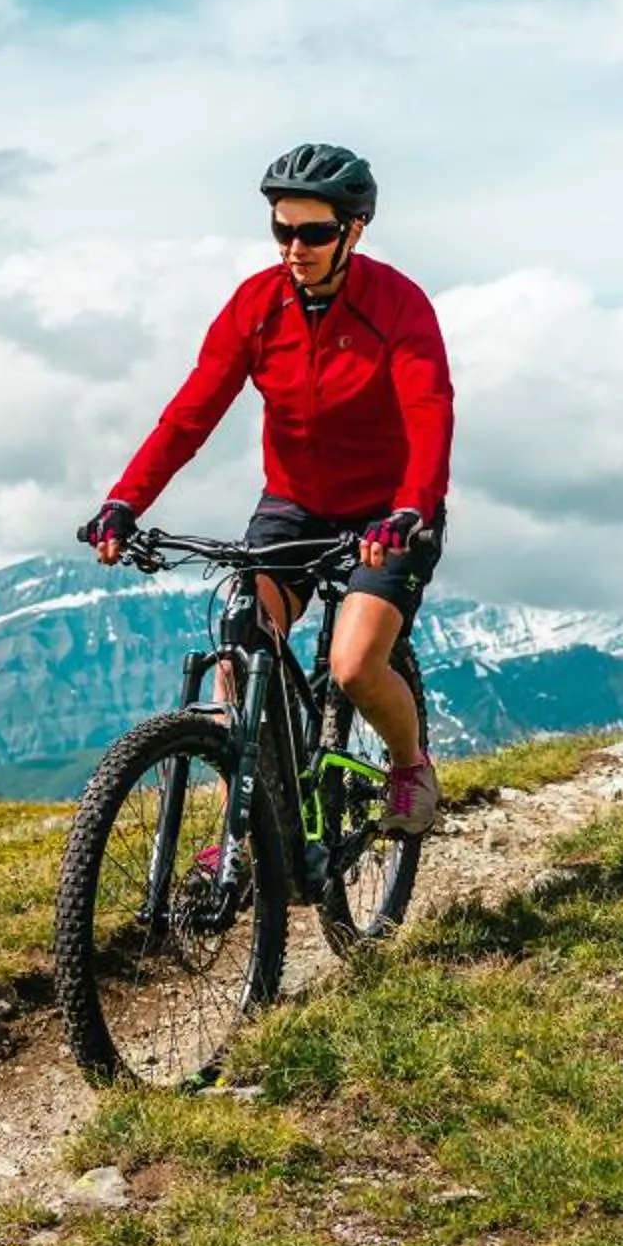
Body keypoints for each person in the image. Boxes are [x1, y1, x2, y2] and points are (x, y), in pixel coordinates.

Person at [77, 143, 454, 835]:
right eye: (283, 230)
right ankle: (240, 836)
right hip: (294, 505)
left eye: (313, 233)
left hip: (388, 513)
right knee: (241, 654)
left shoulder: (397, 306)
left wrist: (410, 509)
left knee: (352, 666)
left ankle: (409, 766)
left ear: (354, 231)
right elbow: (190, 413)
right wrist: (125, 501)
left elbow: (430, 414)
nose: (295, 248)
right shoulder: (257, 306)